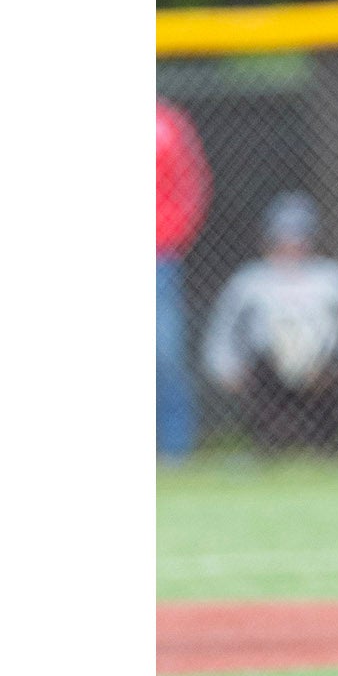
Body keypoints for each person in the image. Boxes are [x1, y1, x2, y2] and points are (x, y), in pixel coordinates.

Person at [202, 193, 338, 453]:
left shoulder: (336, 278)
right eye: (284, 236)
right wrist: (227, 370)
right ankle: (270, 446)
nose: (292, 244)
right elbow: (224, 334)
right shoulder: (250, 281)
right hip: (268, 373)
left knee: (327, 364)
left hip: (326, 374)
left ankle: (326, 445)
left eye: (299, 236)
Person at [157, 99, 210, 461]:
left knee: (163, 354)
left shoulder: (166, 123)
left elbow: (193, 185)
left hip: (157, 256)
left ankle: (175, 454)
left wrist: (171, 236)